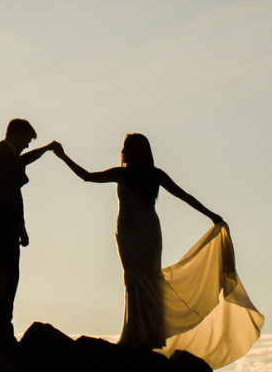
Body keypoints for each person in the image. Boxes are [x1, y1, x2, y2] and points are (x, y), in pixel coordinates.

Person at [51, 133, 223, 349]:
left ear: (136, 151)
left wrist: (211, 215)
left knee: (148, 280)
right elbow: (86, 176)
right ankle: (137, 333)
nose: (122, 151)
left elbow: (184, 195)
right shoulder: (120, 174)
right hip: (127, 234)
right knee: (132, 279)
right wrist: (63, 157)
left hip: (148, 233)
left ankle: (149, 336)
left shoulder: (155, 175)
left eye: (126, 147)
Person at [0, 118, 57, 345]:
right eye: (26, 140)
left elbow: (21, 161)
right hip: (1, 222)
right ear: (18, 134)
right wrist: (20, 226)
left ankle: (0, 329)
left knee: (7, 275)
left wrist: (45, 149)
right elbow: (12, 194)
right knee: (9, 275)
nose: (27, 145)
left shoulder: (3, 153)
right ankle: (2, 331)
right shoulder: (3, 153)